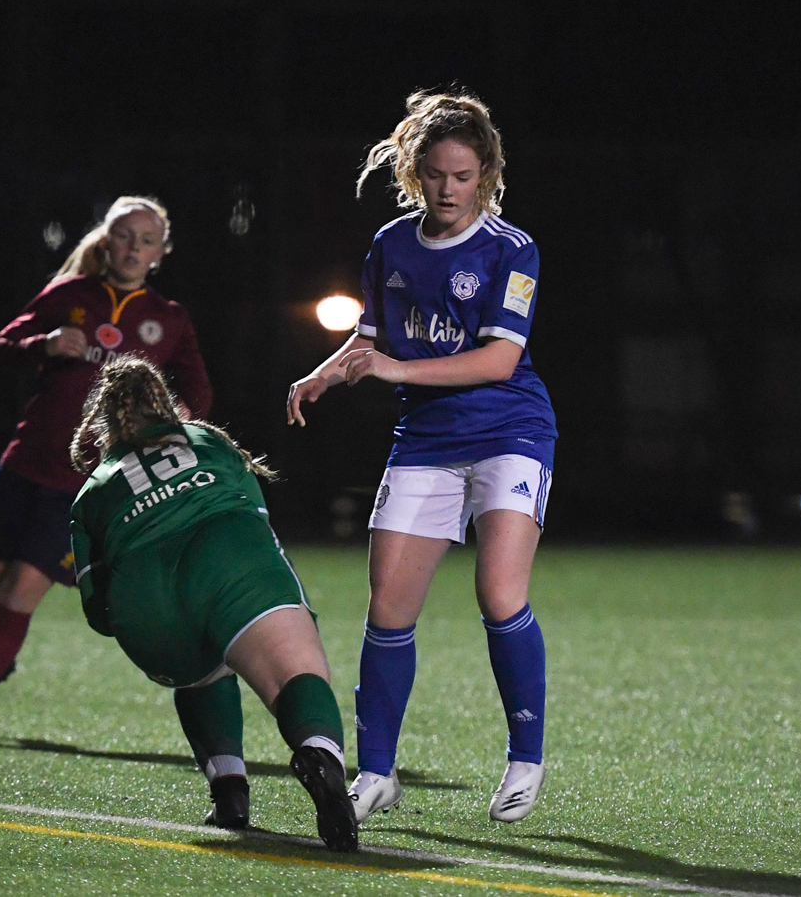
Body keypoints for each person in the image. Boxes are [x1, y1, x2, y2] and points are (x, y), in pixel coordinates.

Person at [286, 91, 555, 824]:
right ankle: (377, 773)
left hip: (511, 432)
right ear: (414, 171)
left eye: (463, 176)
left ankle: (524, 758)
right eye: (435, 173)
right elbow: (372, 337)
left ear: (486, 175)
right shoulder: (391, 245)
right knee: (389, 610)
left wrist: (395, 372)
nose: (447, 188)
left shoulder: (512, 248)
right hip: (427, 442)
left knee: (499, 595)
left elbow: (501, 360)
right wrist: (324, 372)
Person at [0, 197, 213, 743]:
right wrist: (45, 343)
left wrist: (169, 424)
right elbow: (2, 347)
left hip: (86, 484)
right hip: (26, 459)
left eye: (145, 240)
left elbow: (196, 391)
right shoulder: (70, 296)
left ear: (160, 253)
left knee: (19, 590)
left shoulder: (168, 320)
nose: (133, 248)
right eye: (124, 236)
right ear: (106, 241)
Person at [68, 357, 357, 851]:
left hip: (146, 604)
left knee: (201, 670)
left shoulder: (90, 492)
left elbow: (98, 614)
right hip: (227, 556)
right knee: (292, 673)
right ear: (164, 402)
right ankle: (319, 753)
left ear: (104, 420)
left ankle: (229, 791)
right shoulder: (208, 439)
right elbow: (258, 523)